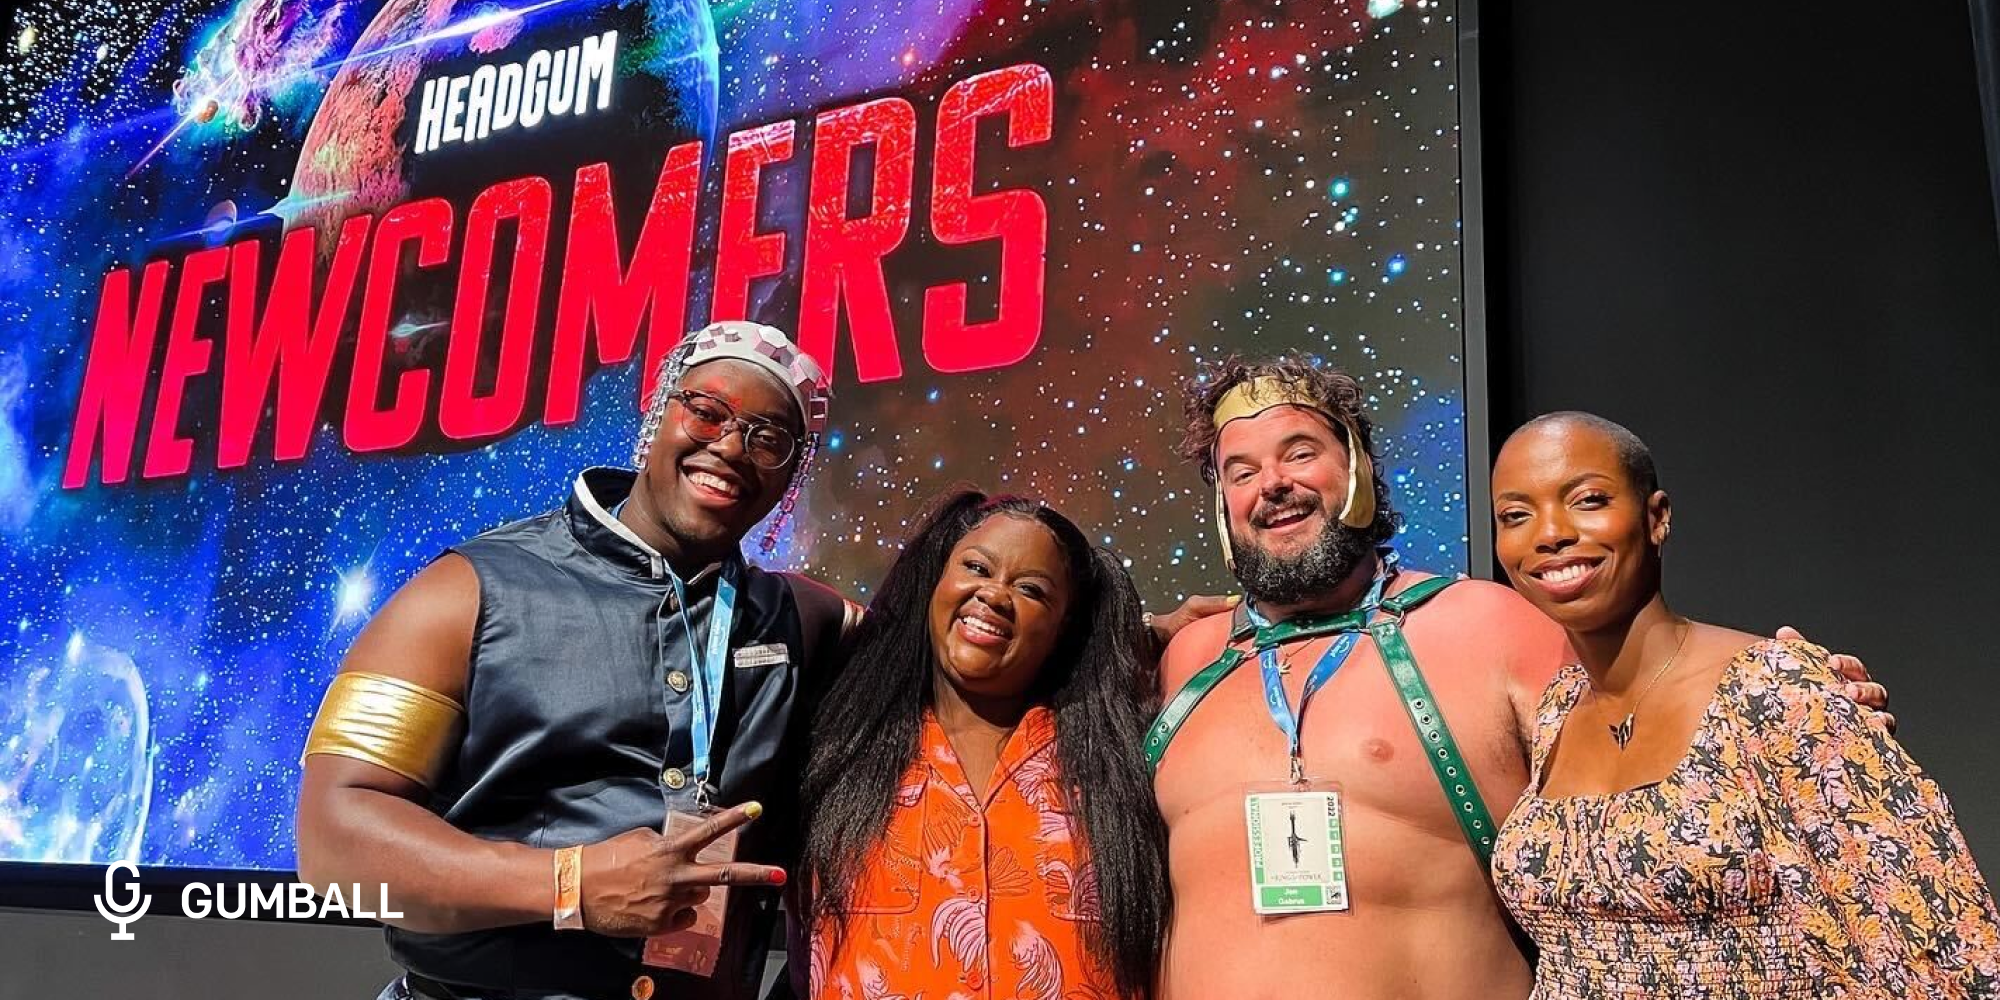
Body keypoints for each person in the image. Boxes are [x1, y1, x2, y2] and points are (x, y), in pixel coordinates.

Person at [1147, 356, 1889, 1000]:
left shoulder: (1486, 625)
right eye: (1240, 472)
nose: (1272, 484)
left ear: (1358, 470)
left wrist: (1791, 701)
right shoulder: (1187, 662)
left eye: (1300, 453)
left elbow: (1663, 727)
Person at [297, 321, 856, 1000]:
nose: (733, 447)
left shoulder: (804, 622)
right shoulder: (467, 591)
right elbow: (333, 842)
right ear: (658, 414)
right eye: (707, 412)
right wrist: (571, 884)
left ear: (789, 472)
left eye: (769, 439)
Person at [1487, 411, 2000, 998]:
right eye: (1516, 516)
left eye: (1588, 500)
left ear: (1657, 517)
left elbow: (1942, 941)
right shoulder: (1555, 711)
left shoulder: (1776, 690)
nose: (1549, 533)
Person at [797, 490, 1171, 1000]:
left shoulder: (1124, 765)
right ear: (935, 582)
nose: (994, 595)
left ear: (1065, 629)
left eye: (1033, 590)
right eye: (976, 567)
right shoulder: (840, 748)